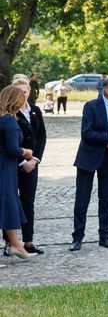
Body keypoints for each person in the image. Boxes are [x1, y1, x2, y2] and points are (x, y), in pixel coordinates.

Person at [70, 76, 108, 250]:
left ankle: (104, 236)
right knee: (82, 199)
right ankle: (77, 237)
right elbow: (87, 133)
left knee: (106, 199)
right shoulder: (91, 106)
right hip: (88, 158)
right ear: (107, 91)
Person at [10, 75, 45, 254]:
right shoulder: (9, 113)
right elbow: (8, 142)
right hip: (14, 164)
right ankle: (11, 243)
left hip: (33, 164)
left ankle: (28, 241)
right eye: (19, 92)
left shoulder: (35, 110)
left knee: (28, 202)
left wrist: (35, 160)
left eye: (25, 91)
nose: (23, 95)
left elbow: (41, 137)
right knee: (11, 203)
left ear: (30, 92)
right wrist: (23, 160)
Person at [1, 85, 33, 258]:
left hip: (7, 166)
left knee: (8, 204)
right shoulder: (8, 121)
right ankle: (16, 245)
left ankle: (16, 245)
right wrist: (26, 152)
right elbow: (12, 148)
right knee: (6, 204)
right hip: (5, 167)